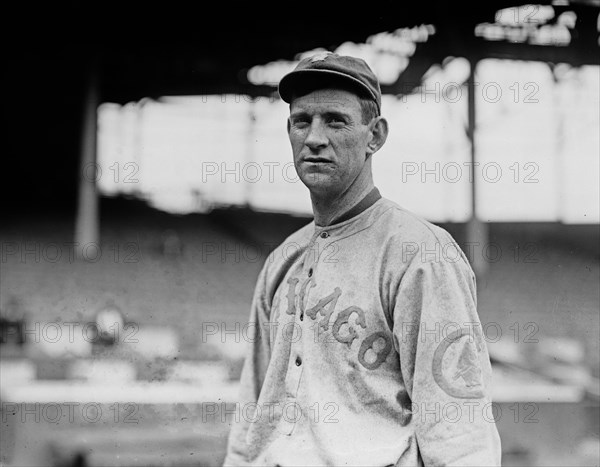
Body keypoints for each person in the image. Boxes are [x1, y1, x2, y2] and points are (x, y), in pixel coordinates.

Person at [223, 52, 501, 466]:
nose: (315, 137)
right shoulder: (283, 260)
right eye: (302, 121)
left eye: (335, 120)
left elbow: (459, 433)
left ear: (375, 135)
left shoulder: (419, 254)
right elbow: (252, 413)